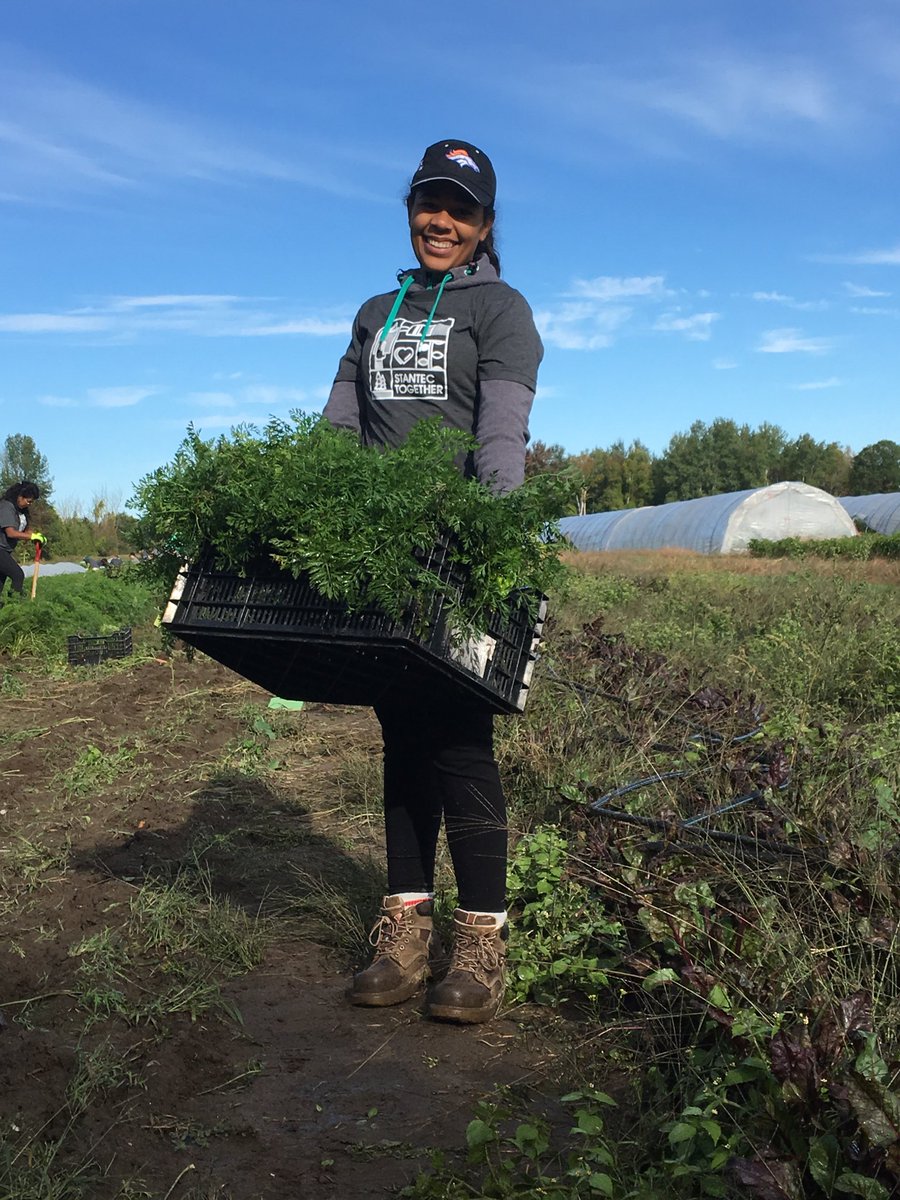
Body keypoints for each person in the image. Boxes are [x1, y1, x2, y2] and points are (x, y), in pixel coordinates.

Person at [322, 139, 543, 1023]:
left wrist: (496, 541)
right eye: (429, 203)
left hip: (457, 559)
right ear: (411, 208)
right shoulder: (374, 313)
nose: (440, 221)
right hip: (383, 563)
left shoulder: (501, 310)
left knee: (460, 741)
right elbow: (338, 432)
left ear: (485, 224)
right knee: (403, 738)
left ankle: (482, 939)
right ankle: (406, 928)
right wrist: (317, 516)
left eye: (460, 209)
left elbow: (501, 436)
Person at [0, 482, 45, 600]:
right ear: (20, 496)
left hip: (6, 551)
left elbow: (26, 530)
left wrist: (36, 536)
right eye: (28, 501)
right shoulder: (6, 507)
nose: (29, 504)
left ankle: (5, 608)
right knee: (18, 575)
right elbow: (11, 533)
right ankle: (14, 604)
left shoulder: (21, 511)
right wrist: (31, 537)